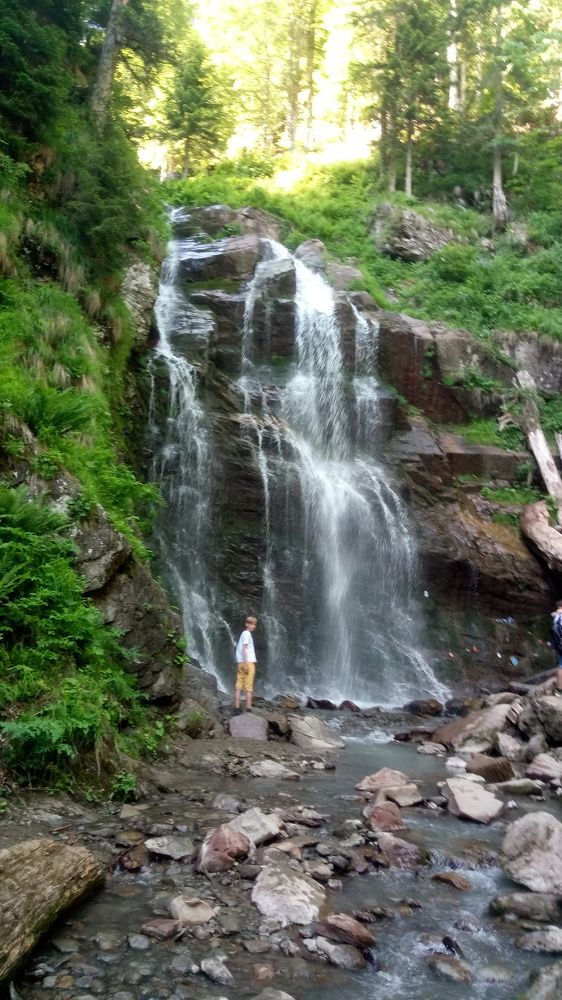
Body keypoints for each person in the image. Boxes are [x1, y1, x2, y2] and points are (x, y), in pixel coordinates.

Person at [234, 615, 257, 711]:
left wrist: (242, 663)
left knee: (239, 685)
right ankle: (248, 708)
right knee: (249, 686)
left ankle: (236, 707)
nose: (253, 626)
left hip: (241, 662)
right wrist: (246, 663)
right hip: (247, 662)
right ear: (246, 624)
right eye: (251, 624)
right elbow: (244, 648)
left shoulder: (243, 634)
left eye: (254, 624)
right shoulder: (247, 634)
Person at [551, 599, 562, 695]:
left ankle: (558, 690)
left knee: (560, 666)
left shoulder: (556, 617)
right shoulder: (561, 617)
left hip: (559, 645)